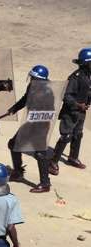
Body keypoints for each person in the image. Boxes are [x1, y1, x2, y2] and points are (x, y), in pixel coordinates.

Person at [7, 65, 52, 193]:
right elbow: (25, 100)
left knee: (40, 154)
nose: (31, 79)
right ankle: (18, 171)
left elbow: (50, 110)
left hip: (41, 125)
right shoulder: (32, 86)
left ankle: (45, 183)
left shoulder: (48, 92)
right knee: (13, 144)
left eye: (33, 77)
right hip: (30, 123)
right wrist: (14, 108)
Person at [49, 47, 91, 175]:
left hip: (81, 112)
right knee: (66, 136)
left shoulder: (89, 75)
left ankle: (73, 157)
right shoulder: (75, 77)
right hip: (70, 112)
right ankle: (53, 162)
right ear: (86, 64)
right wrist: (78, 105)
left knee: (78, 134)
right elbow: (66, 96)